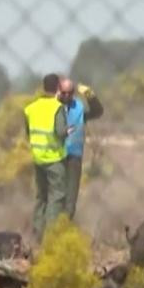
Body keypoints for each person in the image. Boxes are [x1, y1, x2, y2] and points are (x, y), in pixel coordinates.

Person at [23, 74, 70, 241]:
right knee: (56, 197)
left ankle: (36, 233)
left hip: (38, 159)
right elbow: (60, 132)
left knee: (41, 197)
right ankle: (50, 237)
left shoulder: (31, 108)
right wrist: (68, 130)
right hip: (54, 159)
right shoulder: (57, 108)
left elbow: (29, 133)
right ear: (57, 87)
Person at [58, 77, 104, 220]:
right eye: (63, 93)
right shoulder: (53, 107)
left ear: (73, 93)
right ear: (58, 92)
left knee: (71, 199)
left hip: (74, 157)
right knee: (56, 197)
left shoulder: (78, 107)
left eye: (69, 93)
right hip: (55, 156)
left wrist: (90, 95)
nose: (66, 96)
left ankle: (64, 226)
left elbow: (97, 112)